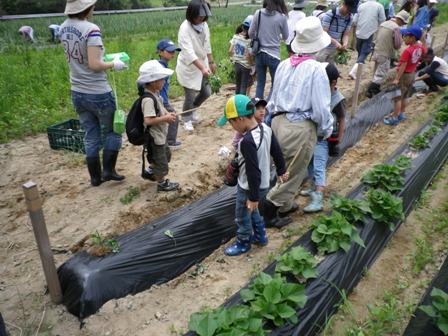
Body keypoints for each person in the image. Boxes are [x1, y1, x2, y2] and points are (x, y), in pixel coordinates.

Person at [262, 17, 334, 227]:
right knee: (294, 171)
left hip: (278, 122)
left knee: (282, 165)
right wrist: (326, 128)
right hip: (300, 128)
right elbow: (321, 107)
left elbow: (273, 97)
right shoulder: (317, 69)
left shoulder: (285, 64)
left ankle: (284, 204)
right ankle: (270, 210)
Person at [60, 0, 127, 187]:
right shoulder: (91, 29)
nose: (94, 8)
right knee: (114, 130)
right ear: (86, 8)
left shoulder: (63, 28)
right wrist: (115, 64)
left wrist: (101, 59)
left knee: (91, 133)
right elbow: (95, 65)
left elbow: (83, 58)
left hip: (77, 90)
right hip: (97, 91)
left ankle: (95, 177)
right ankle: (108, 170)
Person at [217, 95, 288, 256]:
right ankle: (261, 236)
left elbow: (252, 171)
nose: (231, 126)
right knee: (254, 211)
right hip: (263, 184)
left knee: (242, 215)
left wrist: (253, 197)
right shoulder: (266, 128)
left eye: (231, 122)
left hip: (249, 187)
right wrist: (281, 170)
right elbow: (276, 151)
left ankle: (243, 242)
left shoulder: (247, 142)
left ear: (240, 119)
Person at [302, 63, 346, 213]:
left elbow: (342, 119)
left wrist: (338, 138)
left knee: (319, 166)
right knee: (309, 164)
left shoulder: (337, 99)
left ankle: (318, 197)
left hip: (325, 139)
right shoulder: (320, 95)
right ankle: (313, 187)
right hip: (313, 135)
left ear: (332, 83)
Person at [138, 61, 180, 191]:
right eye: (162, 79)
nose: (164, 82)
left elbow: (161, 108)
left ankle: (151, 169)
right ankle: (161, 184)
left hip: (161, 136)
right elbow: (148, 120)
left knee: (166, 155)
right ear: (153, 81)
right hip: (154, 138)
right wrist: (165, 118)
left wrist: (168, 114)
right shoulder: (148, 100)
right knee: (162, 164)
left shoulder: (155, 95)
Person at [176, 0, 216, 132]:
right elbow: (189, 53)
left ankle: (193, 108)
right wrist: (202, 68)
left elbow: (207, 44)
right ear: (191, 14)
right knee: (190, 94)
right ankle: (186, 118)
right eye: (199, 16)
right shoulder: (184, 29)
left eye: (204, 16)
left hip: (202, 64)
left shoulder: (204, 25)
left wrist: (211, 62)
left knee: (206, 92)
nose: (202, 18)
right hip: (189, 67)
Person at [384, 25, 426, 126]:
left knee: (397, 97)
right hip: (412, 74)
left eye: (405, 36)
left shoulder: (407, 51)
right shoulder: (420, 48)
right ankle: (402, 113)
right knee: (405, 95)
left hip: (404, 75)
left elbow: (403, 66)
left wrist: (397, 79)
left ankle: (394, 117)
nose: (403, 38)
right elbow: (422, 56)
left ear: (412, 38)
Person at [249, 0, 289, 99]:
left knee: (260, 83)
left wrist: (259, 38)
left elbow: (250, 33)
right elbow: (286, 36)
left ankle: (259, 108)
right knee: (275, 84)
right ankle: (268, 108)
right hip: (274, 55)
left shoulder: (258, 13)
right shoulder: (282, 17)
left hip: (259, 53)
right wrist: (276, 37)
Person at [365, 10, 409, 98]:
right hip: (385, 53)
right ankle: (370, 91)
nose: (403, 24)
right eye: (403, 22)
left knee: (376, 72)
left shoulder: (384, 23)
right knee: (381, 74)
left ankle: (375, 89)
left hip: (376, 51)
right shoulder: (396, 28)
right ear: (400, 20)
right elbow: (397, 45)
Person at [156, 39, 182, 149]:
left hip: (162, 99)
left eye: (173, 52)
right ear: (160, 52)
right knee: (173, 118)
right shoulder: (160, 67)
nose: (173, 54)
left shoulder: (163, 66)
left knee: (159, 122)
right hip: (161, 99)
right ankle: (170, 142)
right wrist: (160, 100)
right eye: (170, 51)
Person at [349, 0, 386, 79]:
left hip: (359, 32)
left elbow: (355, 20)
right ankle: (354, 72)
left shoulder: (361, 5)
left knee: (360, 52)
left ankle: (359, 70)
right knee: (364, 53)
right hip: (371, 32)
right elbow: (382, 20)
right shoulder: (379, 6)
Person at [229, 17, 253, 95]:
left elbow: (230, 51)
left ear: (242, 27)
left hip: (237, 64)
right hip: (245, 66)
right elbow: (248, 56)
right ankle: (241, 103)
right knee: (243, 86)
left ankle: (236, 101)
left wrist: (233, 58)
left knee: (238, 84)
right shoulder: (249, 41)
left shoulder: (235, 37)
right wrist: (251, 65)